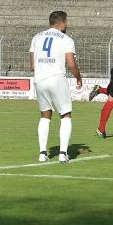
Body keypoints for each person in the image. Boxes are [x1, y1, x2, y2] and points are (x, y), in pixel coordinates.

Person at [29, 11, 83, 163]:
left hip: (39, 80)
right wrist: (78, 77)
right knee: (65, 115)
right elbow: (71, 63)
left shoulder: (36, 37)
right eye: (66, 22)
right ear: (62, 22)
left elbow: (32, 66)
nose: (67, 25)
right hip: (57, 79)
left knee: (45, 115)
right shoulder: (66, 39)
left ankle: (42, 153)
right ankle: (62, 154)